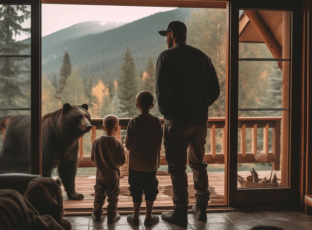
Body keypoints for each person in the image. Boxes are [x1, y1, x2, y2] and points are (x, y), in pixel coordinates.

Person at [156, 21, 220, 227]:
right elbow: (215, 91)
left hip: (176, 121)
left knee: (176, 167)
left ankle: (180, 211)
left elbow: (160, 90)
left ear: (172, 34)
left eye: (166, 35)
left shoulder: (166, 57)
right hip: (199, 121)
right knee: (198, 164)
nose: (166, 39)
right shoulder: (203, 58)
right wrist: (200, 106)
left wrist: (167, 113)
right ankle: (201, 209)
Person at [125, 91, 163, 227]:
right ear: (152, 106)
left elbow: (127, 144)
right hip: (151, 164)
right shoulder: (156, 122)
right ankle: (148, 216)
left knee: (136, 189)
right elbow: (159, 143)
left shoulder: (133, 122)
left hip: (135, 164)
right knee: (150, 188)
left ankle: (135, 216)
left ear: (137, 105)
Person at [91, 114, 126, 224]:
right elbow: (122, 161)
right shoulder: (118, 143)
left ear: (103, 127)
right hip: (113, 177)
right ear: (116, 129)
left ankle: (97, 214)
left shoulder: (97, 142)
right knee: (113, 198)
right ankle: (111, 216)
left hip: (100, 176)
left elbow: (92, 158)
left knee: (99, 196)